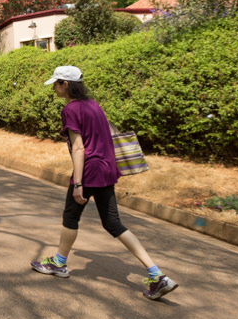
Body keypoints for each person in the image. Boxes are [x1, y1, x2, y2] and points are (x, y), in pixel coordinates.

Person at [30, 65, 178, 301]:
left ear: (66, 84)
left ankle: (59, 263)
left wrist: (78, 183)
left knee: (70, 217)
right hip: (108, 169)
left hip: (89, 171)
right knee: (113, 223)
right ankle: (156, 274)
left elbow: (79, 147)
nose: (55, 89)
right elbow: (110, 132)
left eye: (57, 84)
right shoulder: (94, 105)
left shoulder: (71, 109)